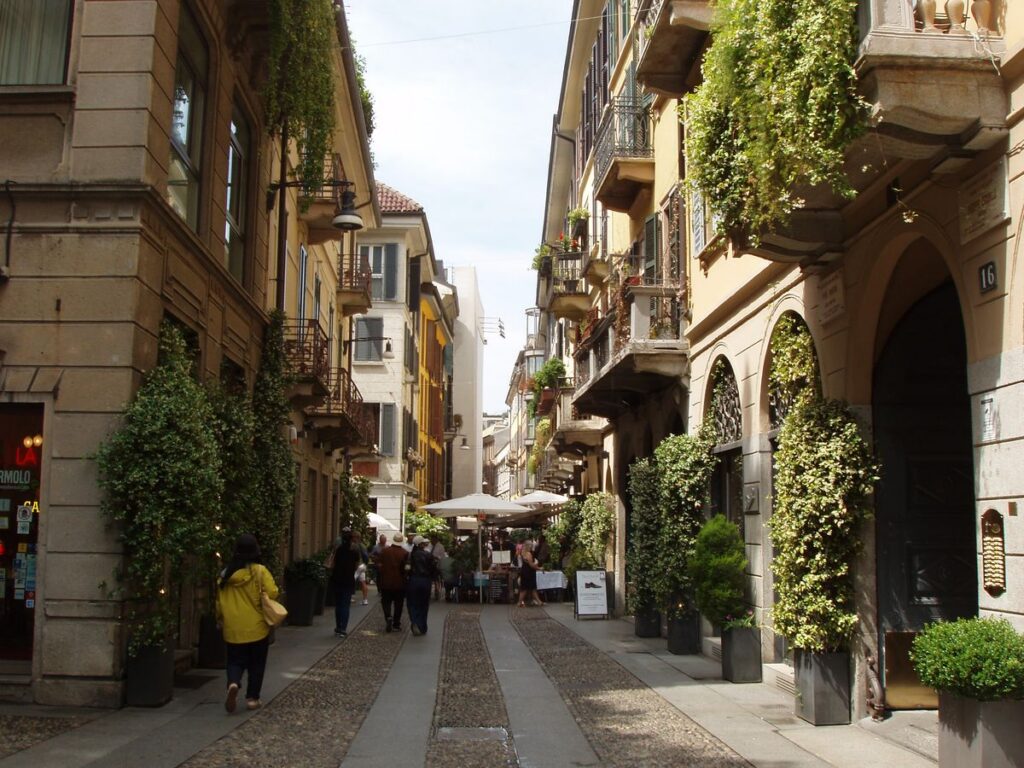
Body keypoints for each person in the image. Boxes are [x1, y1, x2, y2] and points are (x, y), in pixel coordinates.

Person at [216, 533, 279, 713]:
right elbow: (273, 592)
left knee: (234, 660)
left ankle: (233, 683)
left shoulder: (225, 575)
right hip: (257, 626)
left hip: (233, 626)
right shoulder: (259, 571)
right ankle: (252, 698)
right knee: (257, 663)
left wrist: (219, 618)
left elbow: (219, 601)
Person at [330, 530, 360, 638]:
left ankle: (338, 627)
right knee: (345, 605)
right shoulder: (355, 551)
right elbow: (356, 566)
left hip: (337, 578)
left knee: (338, 605)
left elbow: (332, 563)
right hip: (348, 579)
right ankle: (343, 628)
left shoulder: (338, 549)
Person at [406, 535, 438, 636]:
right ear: (421, 544)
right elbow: (434, 569)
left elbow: (406, 569)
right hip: (425, 581)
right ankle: (422, 626)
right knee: (424, 604)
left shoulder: (410, 555)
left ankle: (414, 620)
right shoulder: (428, 555)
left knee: (413, 603)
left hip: (414, 580)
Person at [377, 532, 409, 632]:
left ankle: (388, 617)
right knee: (398, 604)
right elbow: (407, 568)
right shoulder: (405, 553)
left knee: (386, 601)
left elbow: (379, 564)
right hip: (399, 583)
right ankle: (396, 623)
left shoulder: (385, 551)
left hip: (386, 582)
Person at [517, 537, 544, 607]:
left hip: (525, 571)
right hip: (528, 572)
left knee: (531, 588)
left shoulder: (523, 552)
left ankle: (539, 601)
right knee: (525, 588)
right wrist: (539, 568)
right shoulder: (528, 553)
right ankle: (519, 603)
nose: (532, 546)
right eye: (531, 545)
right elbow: (531, 565)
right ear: (528, 546)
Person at [352, 531, 370, 606]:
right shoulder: (362, 545)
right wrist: (365, 564)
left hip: (357, 566)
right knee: (363, 582)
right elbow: (366, 556)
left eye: (353, 536)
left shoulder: (354, 545)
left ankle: (349, 596)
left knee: (351, 580)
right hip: (362, 565)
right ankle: (365, 600)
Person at [429, 533, 447, 600]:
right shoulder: (429, 545)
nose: (432, 541)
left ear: (436, 539)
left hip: (437, 565)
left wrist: (436, 558)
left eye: (433, 539)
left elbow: (442, 557)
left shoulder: (440, 546)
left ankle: (437, 593)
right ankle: (429, 592)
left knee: (436, 579)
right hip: (429, 565)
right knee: (430, 579)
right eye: (431, 539)